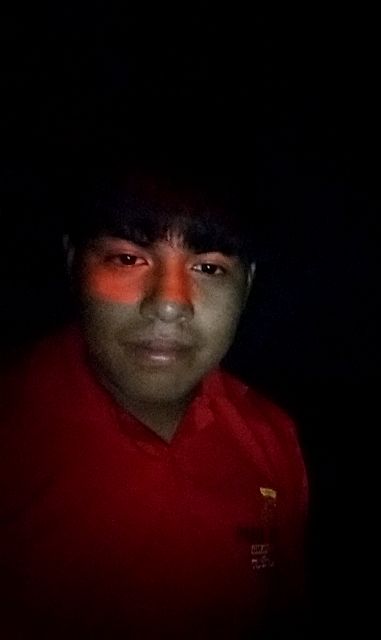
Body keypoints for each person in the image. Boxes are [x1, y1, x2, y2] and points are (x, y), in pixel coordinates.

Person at [0, 169, 309, 638]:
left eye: (208, 268)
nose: (169, 303)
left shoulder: (271, 437)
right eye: (128, 258)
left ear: (246, 285)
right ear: (74, 262)